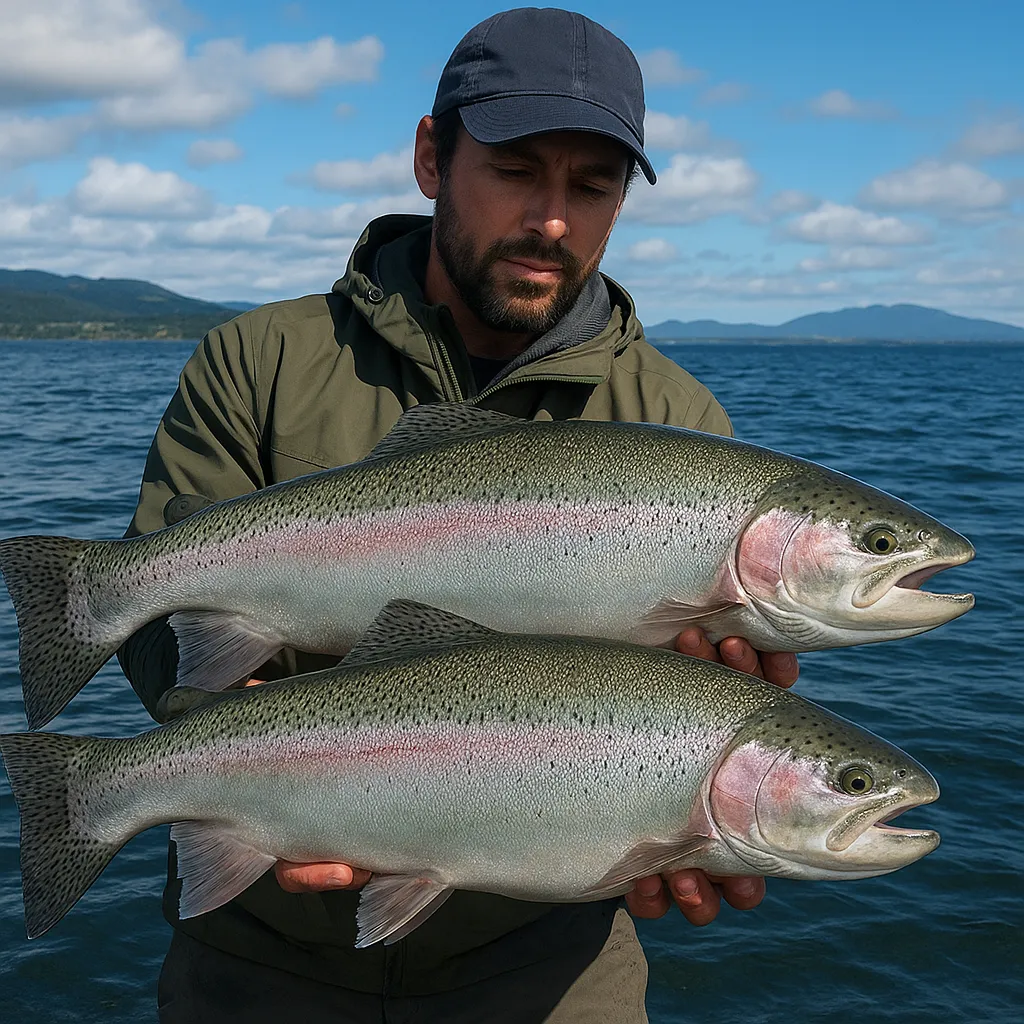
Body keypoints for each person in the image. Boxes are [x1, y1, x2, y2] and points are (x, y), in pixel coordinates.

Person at [118, 8, 799, 1023]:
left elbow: (678, 703)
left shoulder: (677, 424)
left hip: (546, 971)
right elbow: (149, 628)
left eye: (591, 185)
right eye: (518, 169)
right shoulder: (259, 361)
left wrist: (689, 792)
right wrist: (250, 777)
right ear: (432, 157)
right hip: (258, 954)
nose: (553, 219)